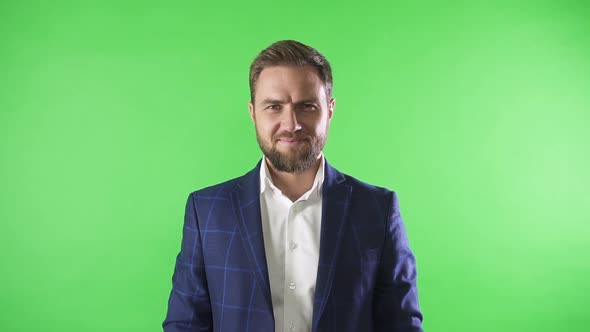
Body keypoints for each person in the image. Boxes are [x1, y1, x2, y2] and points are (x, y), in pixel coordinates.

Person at [163, 40, 423, 332]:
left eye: (307, 106)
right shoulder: (207, 210)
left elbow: (401, 325)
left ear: (330, 110)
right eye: (274, 106)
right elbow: (185, 325)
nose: (292, 124)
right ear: (253, 113)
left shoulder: (377, 209)